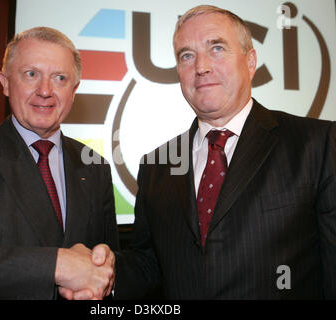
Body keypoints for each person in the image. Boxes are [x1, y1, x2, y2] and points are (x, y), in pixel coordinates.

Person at [111, 5, 336, 299]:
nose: (201, 66)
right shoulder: (157, 165)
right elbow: (150, 266)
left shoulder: (318, 144)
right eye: (186, 55)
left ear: (251, 61)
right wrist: (106, 271)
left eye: (216, 48)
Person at [0, 27, 118, 299]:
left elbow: (105, 261)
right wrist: (56, 265)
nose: (45, 91)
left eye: (60, 78)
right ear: (5, 82)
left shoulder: (95, 167)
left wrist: (107, 267)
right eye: (31, 74)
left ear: (74, 90)